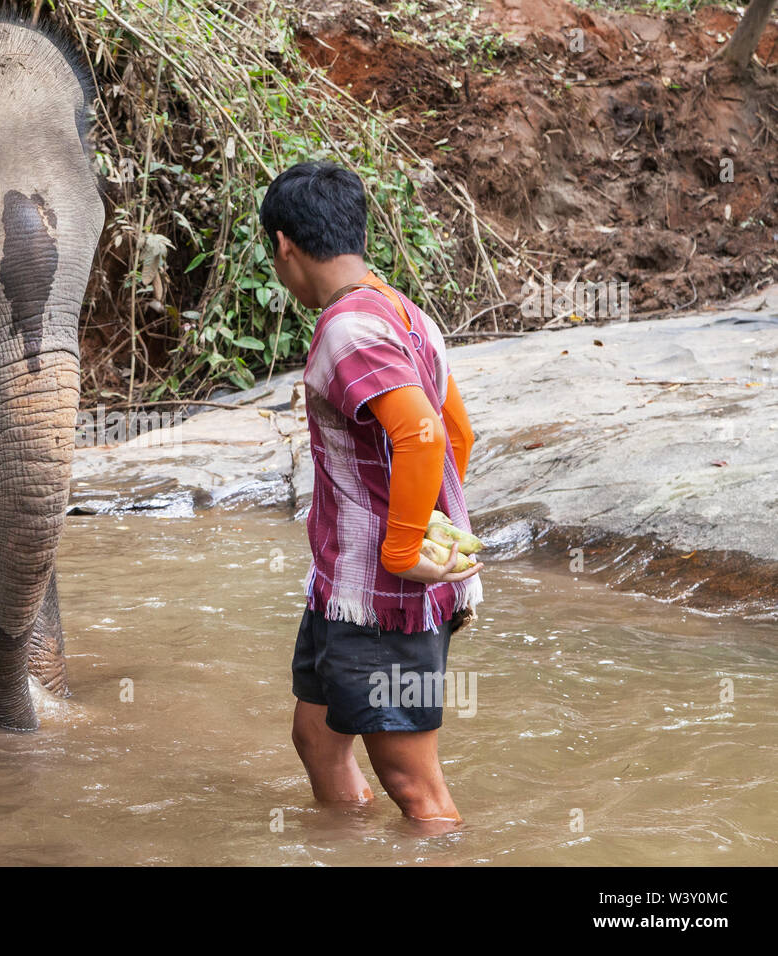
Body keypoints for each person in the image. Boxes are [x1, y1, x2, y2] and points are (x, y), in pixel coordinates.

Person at [261, 161, 484, 825]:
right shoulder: (402, 311)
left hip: (382, 598)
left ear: (284, 247)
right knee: (316, 739)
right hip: (345, 589)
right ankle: (347, 845)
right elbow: (459, 435)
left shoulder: (350, 329)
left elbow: (423, 435)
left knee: (413, 787)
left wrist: (404, 546)